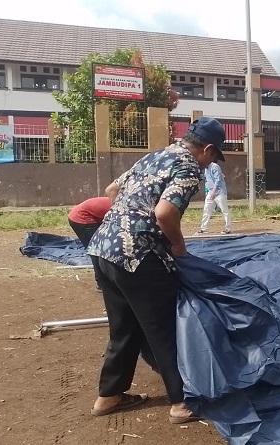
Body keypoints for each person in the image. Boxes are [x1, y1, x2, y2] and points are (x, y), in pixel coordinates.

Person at [86, 116, 225, 424]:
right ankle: (180, 404)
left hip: (104, 248)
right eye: (213, 158)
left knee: (124, 328)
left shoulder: (156, 155)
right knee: (164, 329)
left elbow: (111, 190)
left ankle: (108, 397)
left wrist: (127, 223)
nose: (209, 165)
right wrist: (177, 246)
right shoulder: (189, 167)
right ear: (208, 149)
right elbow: (165, 213)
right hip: (139, 257)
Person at [67, 196, 114, 292]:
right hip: (81, 218)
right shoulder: (125, 207)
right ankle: (102, 285)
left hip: (89, 215)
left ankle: (105, 282)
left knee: (102, 249)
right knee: (97, 251)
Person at [195, 161, 231, 235]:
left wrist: (214, 191)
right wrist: (208, 191)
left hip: (219, 192)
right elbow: (207, 180)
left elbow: (218, 179)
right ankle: (204, 229)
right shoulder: (206, 169)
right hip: (210, 192)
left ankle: (228, 228)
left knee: (224, 210)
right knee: (206, 210)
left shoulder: (215, 166)